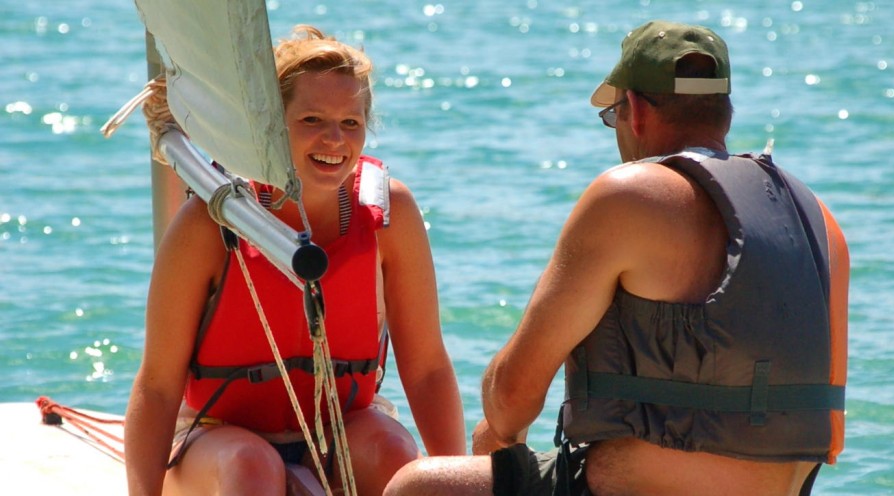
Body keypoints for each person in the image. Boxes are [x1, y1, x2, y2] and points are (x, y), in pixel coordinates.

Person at [384, 20, 848, 496]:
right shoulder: (818, 217)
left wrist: (498, 433)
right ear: (724, 116)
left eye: (613, 116)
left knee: (418, 486)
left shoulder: (631, 196)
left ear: (637, 110)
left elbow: (510, 400)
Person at [124, 25, 466, 496]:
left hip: (339, 433)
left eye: (351, 123)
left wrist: (458, 480)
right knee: (252, 467)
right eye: (310, 120)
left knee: (392, 452)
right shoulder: (210, 221)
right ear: (271, 124)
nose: (334, 140)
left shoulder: (389, 214)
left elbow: (427, 369)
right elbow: (158, 387)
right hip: (217, 442)